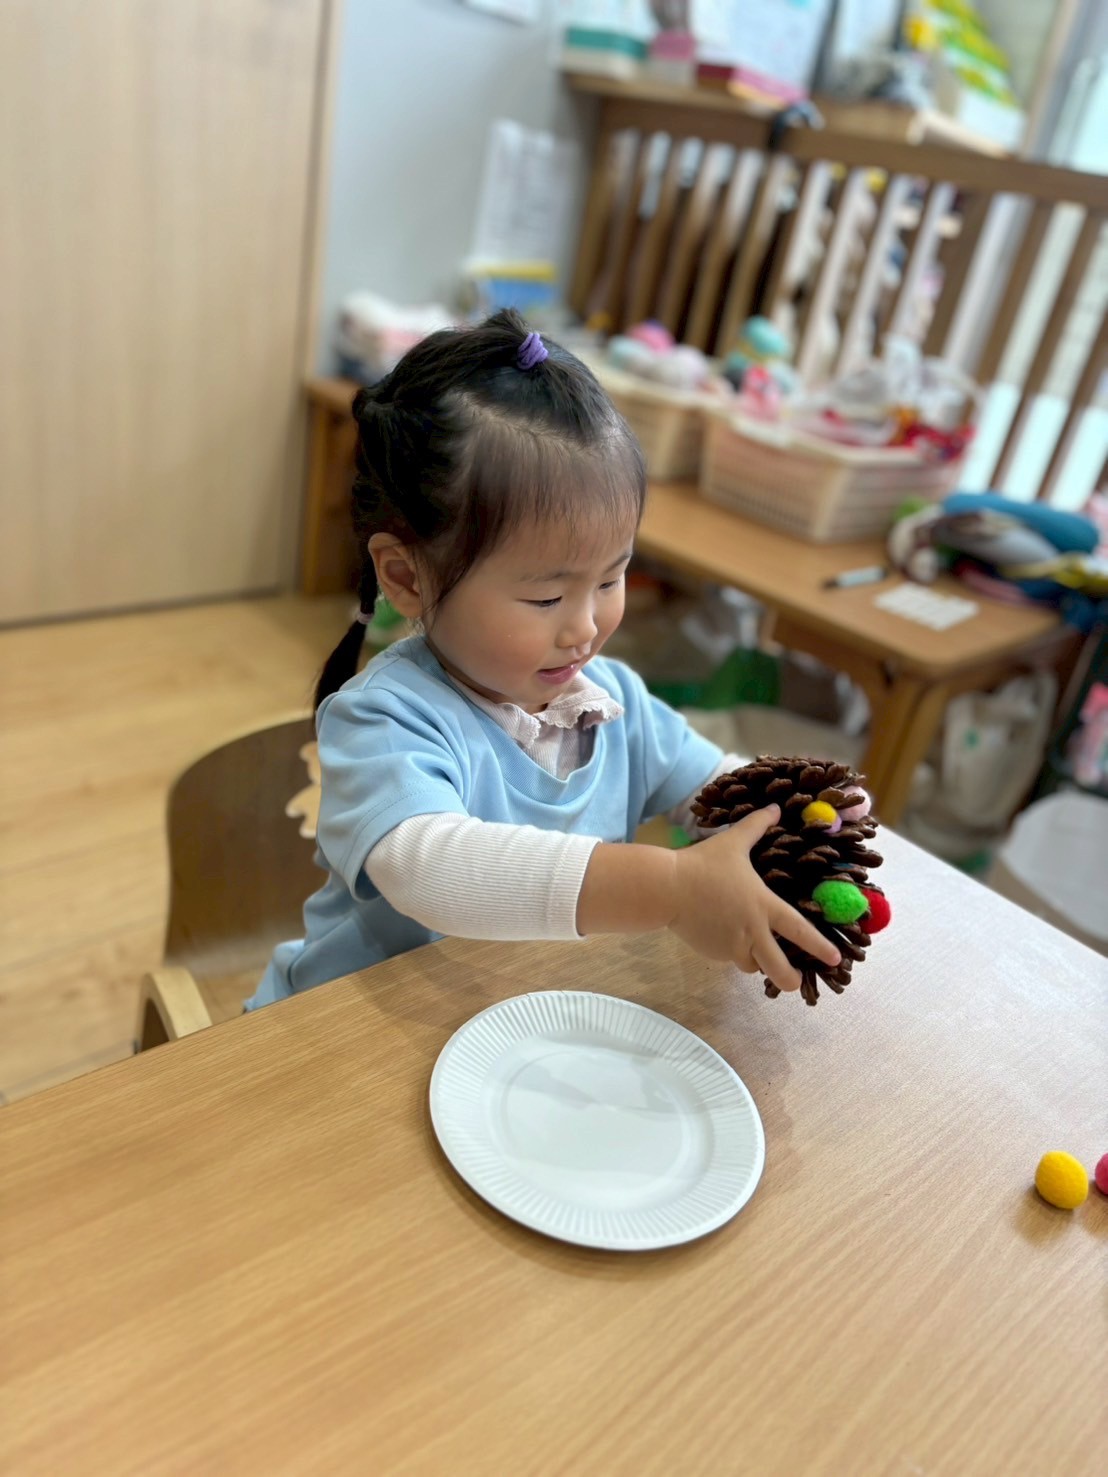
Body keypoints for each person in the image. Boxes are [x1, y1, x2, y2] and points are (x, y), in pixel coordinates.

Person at [248, 312, 838, 1010]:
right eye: (547, 597)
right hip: (353, 1025)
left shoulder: (615, 702)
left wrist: (794, 814)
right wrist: (673, 889)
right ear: (407, 578)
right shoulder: (383, 719)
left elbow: (715, 791)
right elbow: (430, 867)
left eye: (611, 579)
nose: (585, 627)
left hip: (528, 1021)